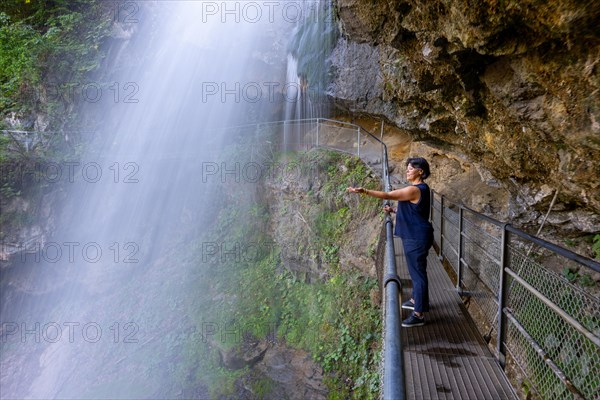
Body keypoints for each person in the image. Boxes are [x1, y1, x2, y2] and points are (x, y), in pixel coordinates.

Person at [347, 157, 434, 327]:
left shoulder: (415, 189)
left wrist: (364, 191)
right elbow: (414, 210)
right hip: (417, 236)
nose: (408, 170)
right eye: (407, 167)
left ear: (420, 171)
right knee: (417, 272)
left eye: (411, 168)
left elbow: (388, 195)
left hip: (416, 238)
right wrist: (393, 210)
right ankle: (417, 299)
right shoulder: (420, 190)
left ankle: (419, 314)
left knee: (418, 276)